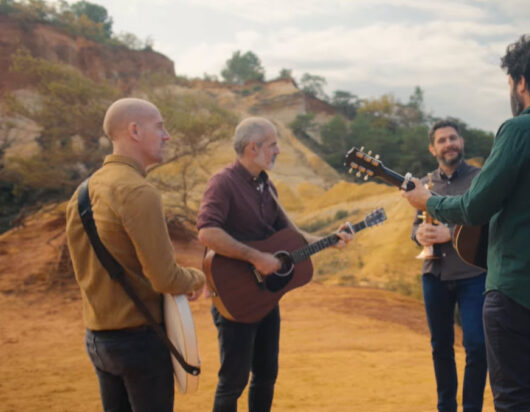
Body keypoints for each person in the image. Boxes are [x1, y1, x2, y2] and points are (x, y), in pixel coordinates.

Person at [401, 32, 530, 411]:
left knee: (513, 402)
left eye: (511, 82)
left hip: (516, 293)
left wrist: (427, 200)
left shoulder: (521, 128)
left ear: (521, 82)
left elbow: (475, 207)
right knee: (525, 397)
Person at [196, 117, 353, 412]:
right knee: (233, 382)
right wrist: (256, 257)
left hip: (266, 297)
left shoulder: (267, 187)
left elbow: (292, 235)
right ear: (253, 148)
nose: (278, 150)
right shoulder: (223, 183)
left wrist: (328, 239)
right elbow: (207, 231)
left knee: (266, 375)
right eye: (273, 144)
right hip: (235, 296)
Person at [65, 97, 206, 411]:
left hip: (98, 340)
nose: (166, 136)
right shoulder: (138, 191)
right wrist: (199, 278)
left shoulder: (82, 192)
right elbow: (166, 277)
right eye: (160, 127)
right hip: (139, 342)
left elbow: (82, 272)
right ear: (134, 131)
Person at [411, 119, 487, 412]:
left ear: (462, 142)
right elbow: (415, 226)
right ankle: (446, 407)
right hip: (434, 275)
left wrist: (451, 233)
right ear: (433, 149)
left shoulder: (481, 179)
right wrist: (419, 235)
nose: (448, 144)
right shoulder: (425, 183)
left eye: (452, 138)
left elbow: (488, 225)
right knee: (440, 347)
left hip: (473, 275)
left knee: (477, 346)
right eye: (441, 140)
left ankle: (471, 408)